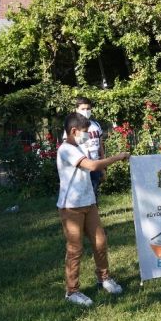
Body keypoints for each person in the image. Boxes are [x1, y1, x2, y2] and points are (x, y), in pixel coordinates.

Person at [57, 112, 130, 307]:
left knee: (100, 241)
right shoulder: (66, 149)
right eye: (84, 132)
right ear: (73, 131)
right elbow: (93, 165)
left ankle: (104, 278)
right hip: (71, 207)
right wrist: (118, 157)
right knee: (75, 249)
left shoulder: (79, 146)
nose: (87, 136)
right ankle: (72, 291)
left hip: (89, 204)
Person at [75, 97, 105, 203]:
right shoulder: (72, 126)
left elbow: (100, 146)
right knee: (83, 194)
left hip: (95, 164)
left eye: (88, 108)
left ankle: (94, 215)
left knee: (94, 191)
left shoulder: (96, 125)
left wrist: (103, 167)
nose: (86, 111)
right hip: (81, 166)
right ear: (77, 109)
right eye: (83, 109)